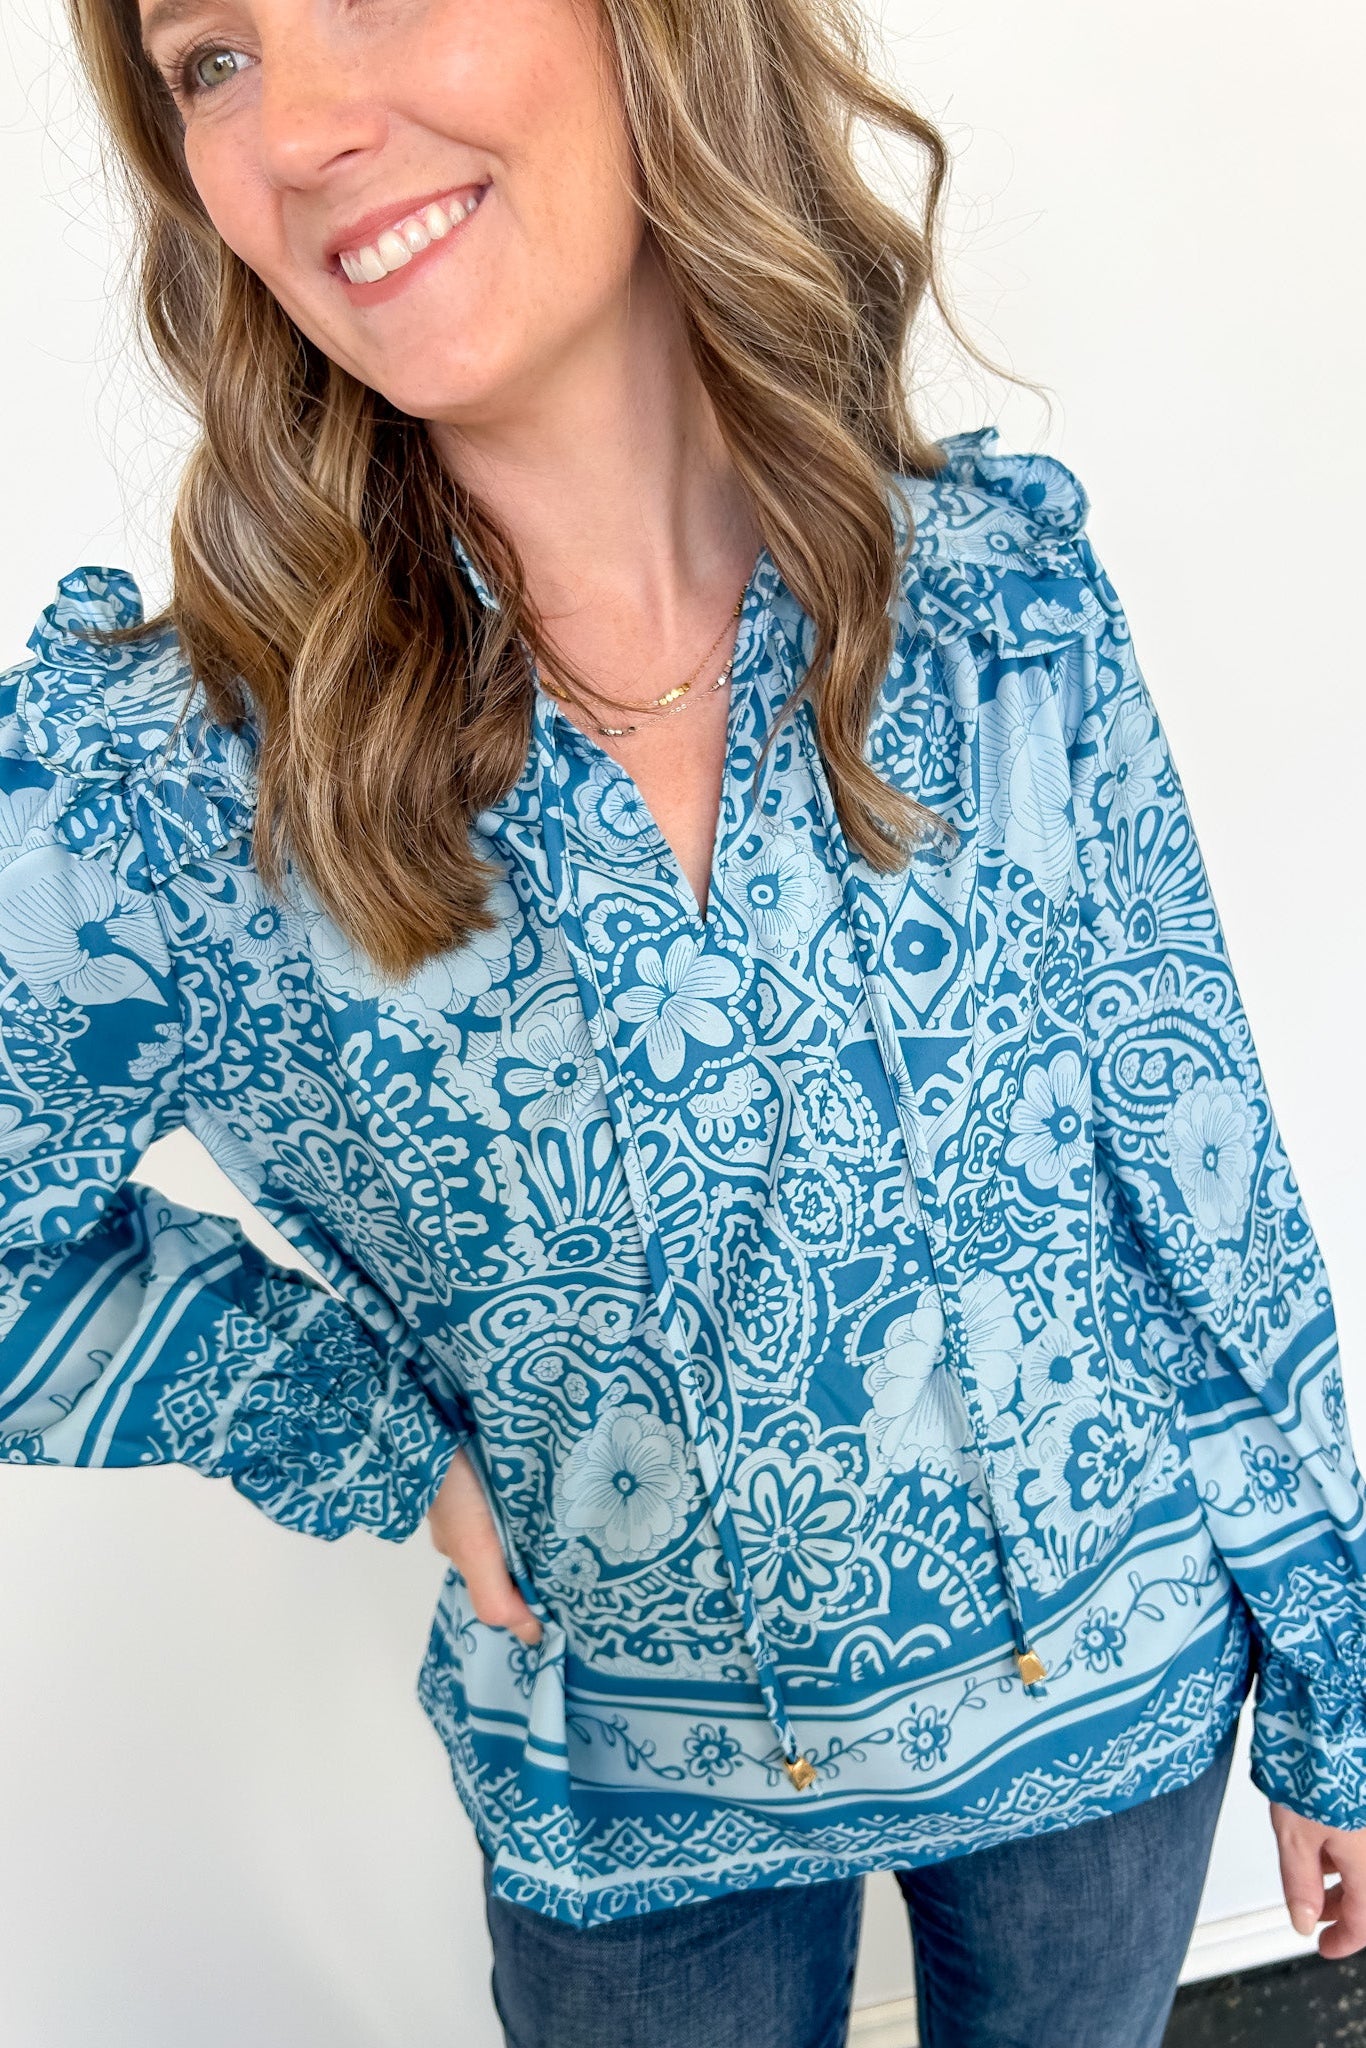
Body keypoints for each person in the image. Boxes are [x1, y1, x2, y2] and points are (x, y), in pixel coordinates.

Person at [4, 1, 1364, 2043]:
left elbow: (1192, 1165)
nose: (299, 122)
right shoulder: (171, 785)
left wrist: (1334, 1668)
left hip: (1118, 1693)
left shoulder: (996, 597)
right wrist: (360, 1433)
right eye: (213, 58)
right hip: (628, 1808)